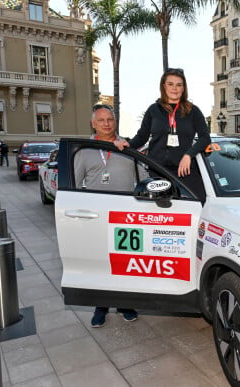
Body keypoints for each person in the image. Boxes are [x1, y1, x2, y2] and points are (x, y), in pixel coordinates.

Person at [75, 104, 139, 327]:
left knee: (124, 261)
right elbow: (72, 185)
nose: (106, 123)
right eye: (101, 120)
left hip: (126, 215)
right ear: (93, 123)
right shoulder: (84, 150)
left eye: (110, 119)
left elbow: (143, 179)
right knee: (101, 261)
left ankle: (124, 304)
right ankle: (101, 306)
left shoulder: (128, 147)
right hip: (97, 216)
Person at [115, 68, 211, 200]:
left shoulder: (193, 111)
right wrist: (128, 144)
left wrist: (189, 155)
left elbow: (205, 138)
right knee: (159, 211)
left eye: (179, 85)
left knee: (200, 202)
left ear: (184, 88)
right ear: (163, 86)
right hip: (157, 169)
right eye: (170, 84)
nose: (174, 88)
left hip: (185, 170)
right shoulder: (153, 110)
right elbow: (142, 137)